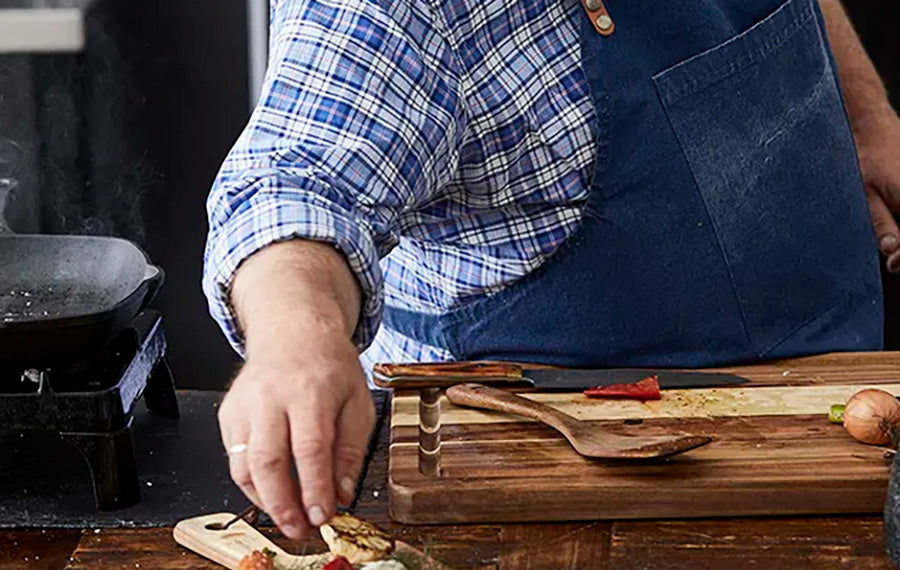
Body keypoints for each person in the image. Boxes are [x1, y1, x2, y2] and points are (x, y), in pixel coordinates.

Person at [203, 0, 900, 540]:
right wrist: (299, 336)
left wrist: (866, 115)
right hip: (564, 506)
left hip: (837, 437)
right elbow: (292, 185)